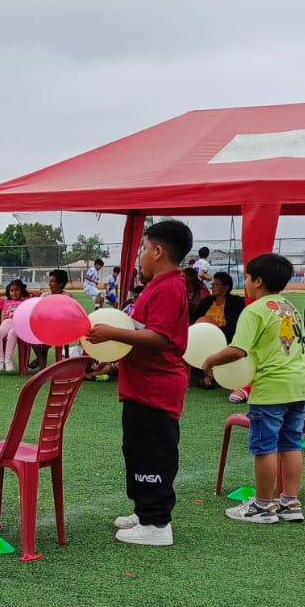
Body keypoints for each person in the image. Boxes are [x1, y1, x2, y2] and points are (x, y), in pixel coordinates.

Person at [84, 219, 191, 547]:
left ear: (157, 251)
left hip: (156, 388)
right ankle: (145, 511)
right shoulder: (159, 285)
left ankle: (157, 523)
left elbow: (158, 338)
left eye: (143, 248)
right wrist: (113, 358)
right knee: (137, 449)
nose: (141, 255)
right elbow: (141, 333)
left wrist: (112, 334)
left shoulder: (169, 287)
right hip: (142, 385)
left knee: (153, 452)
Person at [203, 252, 305, 524]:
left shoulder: (254, 310)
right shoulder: (290, 307)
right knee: (291, 444)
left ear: (258, 281)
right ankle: (290, 502)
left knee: (265, 446)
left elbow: (238, 350)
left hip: (271, 388)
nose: (246, 282)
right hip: (300, 385)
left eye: (248, 277)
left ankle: (263, 506)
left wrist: (210, 360)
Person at [0, 279, 33, 373]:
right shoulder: (5, 302)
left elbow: (38, 294)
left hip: (19, 324)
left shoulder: (26, 301)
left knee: (12, 333)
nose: (14, 292)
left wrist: (26, 291)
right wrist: (6, 291)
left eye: (17, 290)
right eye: (12, 290)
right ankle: (0, 360)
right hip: (6, 323)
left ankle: (8, 360)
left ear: (21, 290)